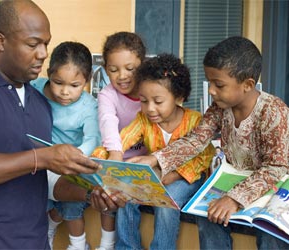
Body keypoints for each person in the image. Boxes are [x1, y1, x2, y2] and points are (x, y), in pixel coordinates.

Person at [0, 1, 102, 249]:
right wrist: (41, 157)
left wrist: (92, 194)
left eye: (46, 43)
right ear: (0, 41)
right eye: (33, 44)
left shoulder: (40, 103)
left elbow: (44, 184)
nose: (44, 53)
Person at [126, 36, 289, 249]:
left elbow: (276, 166)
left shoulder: (274, 112)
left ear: (248, 84)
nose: (211, 90)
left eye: (218, 84)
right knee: (207, 216)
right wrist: (155, 159)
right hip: (233, 180)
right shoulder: (220, 107)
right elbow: (196, 140)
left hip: (274, 186)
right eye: (209, 82)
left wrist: (234, 199)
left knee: (270, 234)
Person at [92, 53, 215, 249]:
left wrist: (171, 175)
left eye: (158, 101)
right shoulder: (143, 120)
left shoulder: (195, 121)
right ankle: (127, 246)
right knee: (126, 193)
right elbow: (121, 141)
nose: (149, 108)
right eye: (143, 100)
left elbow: (204, 157)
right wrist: (97, 160)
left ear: (179, 98)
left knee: (166, 202)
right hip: (155, 176)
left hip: (187, 178)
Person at [31, 41, 114, 250]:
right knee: (39, 200)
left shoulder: (88, 106)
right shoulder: (34, 89)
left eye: (74, 86)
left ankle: (77, 243)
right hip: (42, 161)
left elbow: (92, 139)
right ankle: (49, 227)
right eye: (58, 82)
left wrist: (73, 157)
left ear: (86, 82)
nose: (65, 92)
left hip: (73, 164)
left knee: (69, 198)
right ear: (48, 73)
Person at [97, 31, 148, 163]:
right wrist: (115, 154)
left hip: (147, 158)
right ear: (106, 70)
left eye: (130, 68)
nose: (122, 76)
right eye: (114, 70)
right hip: (117, 156)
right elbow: (107, 121)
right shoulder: (107, 95)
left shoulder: (151, 90)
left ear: (143, 65)